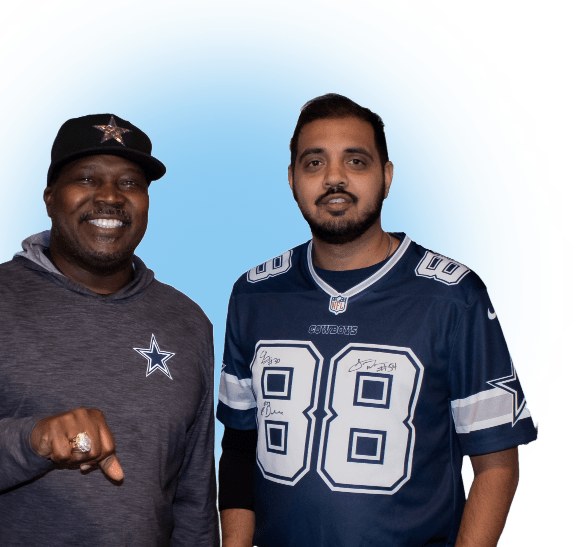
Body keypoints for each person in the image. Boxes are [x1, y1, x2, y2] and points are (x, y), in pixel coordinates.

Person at [0, 113, 219, 546]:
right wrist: (33, 440)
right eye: (86, 178)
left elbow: (192, 501)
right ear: (50, 197)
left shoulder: (187, 321)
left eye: (131, 183)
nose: (110, 196)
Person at [216, 94, 538, 547]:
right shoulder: (254, 294)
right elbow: (240, 447)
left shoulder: (452, 296)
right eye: (313, 163)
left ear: (386, 177)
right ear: (291, 179)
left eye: (355, 161)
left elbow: (497, 462)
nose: (334, 178)